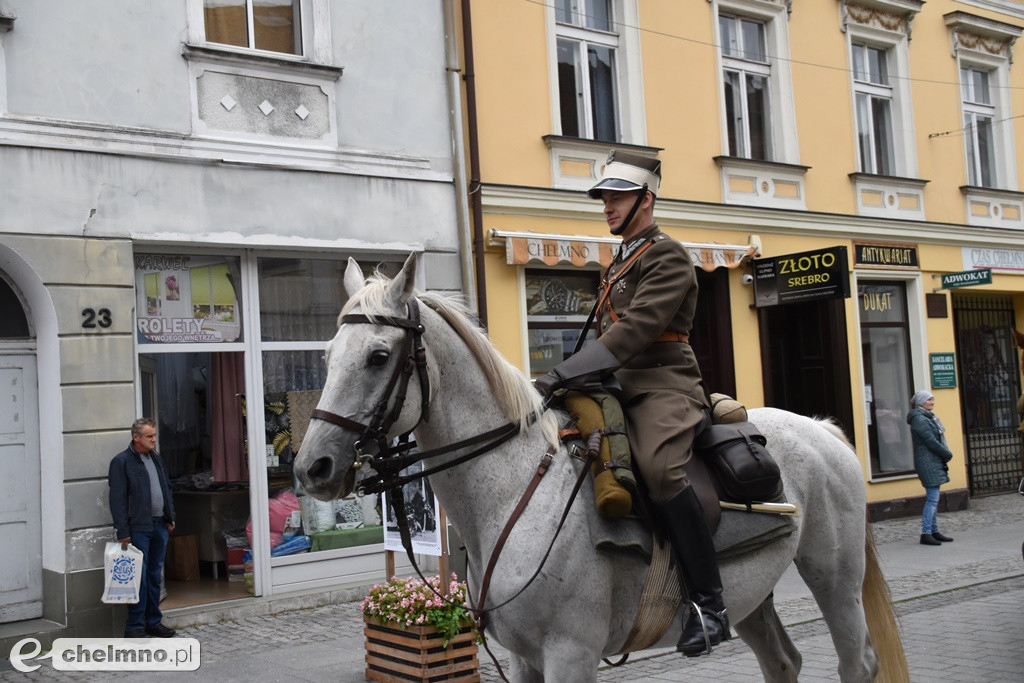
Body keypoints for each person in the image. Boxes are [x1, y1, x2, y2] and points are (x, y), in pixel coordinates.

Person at [534, 150, 728, 656]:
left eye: (617, 196)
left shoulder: (667, 255)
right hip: (618, 386)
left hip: (665, 386)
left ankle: (710, 605)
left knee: (660, 470)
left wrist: (559, 374)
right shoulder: (622, 259)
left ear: (647, 199)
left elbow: (638, 331)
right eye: (604, 197)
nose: (607, 206)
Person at [108, 418, 177, 638]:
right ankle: (135, 626)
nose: (154, 440)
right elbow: (117, 500)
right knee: (138, 577)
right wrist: (123, 531)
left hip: (160, 525)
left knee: (155, 576)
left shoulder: (156, 458)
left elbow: (166, 487)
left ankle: (154, 622)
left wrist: (170, 516)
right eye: (149, 436)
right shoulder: (122, 462)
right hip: (138, 528)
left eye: (154, 435)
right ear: (136, 437)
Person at [906, 391, 954, 546]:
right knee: (932, 499)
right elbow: (931, 441)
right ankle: (926, 533)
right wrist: (947, 454)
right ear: (921, 402)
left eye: (932, 398)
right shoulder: (919, 419)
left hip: (932, 461)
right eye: (929, 399)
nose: (932, 401)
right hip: (927, 462)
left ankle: (934, 531)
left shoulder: (927, 417)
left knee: (934, 498)